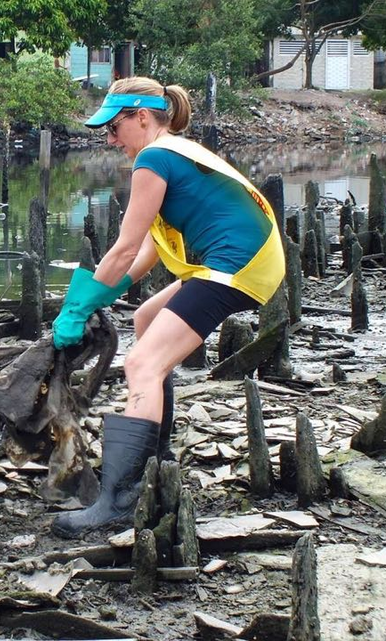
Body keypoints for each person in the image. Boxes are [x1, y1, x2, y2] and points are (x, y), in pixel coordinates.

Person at [50, 77, 285, 538]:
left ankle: (119, 498)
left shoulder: (155, 158)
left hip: (237, 264)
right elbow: (143, 258)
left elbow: (122, 248)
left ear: (142, 117)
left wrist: (77, 309)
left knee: (142, 364)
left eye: (115, 127)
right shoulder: (172, 153)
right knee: (146, 319)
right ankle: (157, 460)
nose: (110, 138)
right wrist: (95, 297)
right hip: (247, 260)